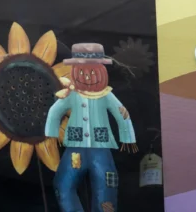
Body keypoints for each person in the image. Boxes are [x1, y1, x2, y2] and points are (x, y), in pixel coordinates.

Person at [44, 43, 137, 212]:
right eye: (81, 72)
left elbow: (122, 113)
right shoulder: (71, 94)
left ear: (101, 71)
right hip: (75, 150)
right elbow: (54, 111)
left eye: (92, 72)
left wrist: (127, 137)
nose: (87, 77)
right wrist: (50, 134)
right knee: (63, 185)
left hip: (100, 150)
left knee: (106, 186)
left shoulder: (106, 95)